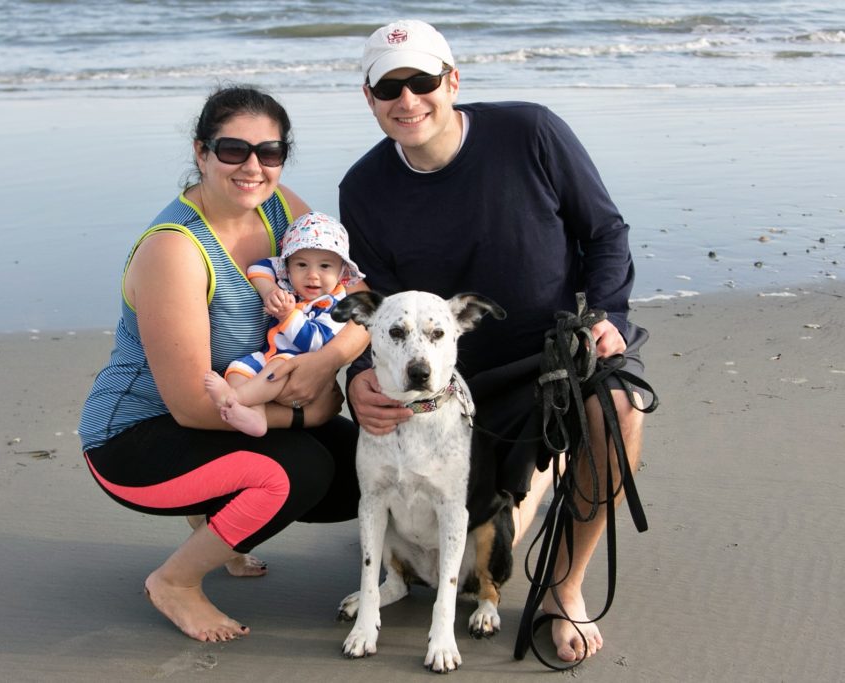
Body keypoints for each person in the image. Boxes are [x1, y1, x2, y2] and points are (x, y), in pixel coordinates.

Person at [340, 20, 652, 664]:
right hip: (453, 380)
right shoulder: (362, 191)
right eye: (389, 87)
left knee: (620, 413)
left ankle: (562, 588)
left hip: (563, 351)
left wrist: (610, 315)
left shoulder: (530, 131)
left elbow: (606, 232)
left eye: (423, 81)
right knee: (474, 506)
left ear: (452, 81)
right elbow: (380, 317)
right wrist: (356, 380)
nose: (408, 100)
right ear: (368, 97)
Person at [78, 86, 368, 643]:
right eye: (233, 150)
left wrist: (331, 358)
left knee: (361, 469)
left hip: (246, 399)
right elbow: (190, 405)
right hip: (137, 433)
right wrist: (310, 412)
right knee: (300, 472)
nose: (253, 167)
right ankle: (175, 582)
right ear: (202, 152)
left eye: (271, 152)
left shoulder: (284, 210)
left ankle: (215, 528)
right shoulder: (176, 248)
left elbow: (360, 294)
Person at [204, 211, 365, 437]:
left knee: (275, 369)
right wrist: (270, 290)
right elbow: (258, 268)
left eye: (325, 267)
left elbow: (316, 342)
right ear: (287, 267)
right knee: (238, 369)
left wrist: (288, 316)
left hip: (297, 363)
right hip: (270, 353)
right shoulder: (288, 283)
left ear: (342, 272)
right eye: (301, 264)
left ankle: (233, 399)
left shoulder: (335, 303)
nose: (312, 276)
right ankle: (257, 417)